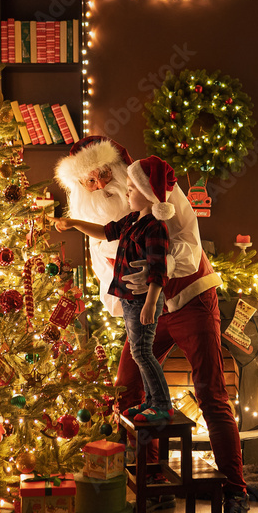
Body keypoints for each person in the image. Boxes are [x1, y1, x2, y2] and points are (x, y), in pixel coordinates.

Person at [54, 136, 249, 513]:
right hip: (145, 310)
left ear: (117, 167)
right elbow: (104, 260)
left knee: (211, 393)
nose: (97, 184)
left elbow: (189, 247)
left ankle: (236, 494)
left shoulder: (156, 187)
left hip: (190, 297)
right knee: (127, 390)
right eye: (87, 180)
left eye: (102, 173)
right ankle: (155, 480)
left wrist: (152, 276)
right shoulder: (106, 216)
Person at [53, 155, 176, 423]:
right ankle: (150, 403)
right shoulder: (132, 219)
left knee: (143, 353)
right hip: (130, 299)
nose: (127, 193)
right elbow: (105, 232)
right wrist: (74, 223)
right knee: (138, 352)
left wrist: (149, 304)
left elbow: (158, 272)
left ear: (146, 194)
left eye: (132, 190)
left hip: (144, 300)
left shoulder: (156, 227)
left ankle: (162, 405)